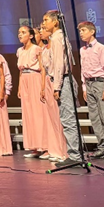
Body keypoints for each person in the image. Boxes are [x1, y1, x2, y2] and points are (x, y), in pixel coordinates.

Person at [41, 11, 81, 167]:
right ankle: (74, 154)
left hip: (63, 81)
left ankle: (75, 156)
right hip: (62, 80)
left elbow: (59, 64)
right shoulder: (56, 38)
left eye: (46, 20)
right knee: (66, 118)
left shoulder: (57, 38)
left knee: (68, 119)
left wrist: (56, 87)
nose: (44, 24)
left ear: (55, 22)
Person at [78, 21, 104, 161]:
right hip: (89, 84)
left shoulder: (101, 48)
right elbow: (83, 69)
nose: (81, 33)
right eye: (80, 31)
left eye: (83, 30)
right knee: (94, 117)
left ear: (92, 31)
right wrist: (84, 87)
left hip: (100, 83)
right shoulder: (82, 50)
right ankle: (102, 146)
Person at [36, 25, 68, 163]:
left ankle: (64, 151)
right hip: (48, 82)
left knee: (59, 117)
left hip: (56, 81)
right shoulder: (43, 49)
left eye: (43, 29)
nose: (41, 32)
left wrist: (57, 86)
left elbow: (60, 64)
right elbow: (44, 70)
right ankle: (55, 150)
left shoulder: (55, 44)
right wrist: (43, 87)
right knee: (51, 118)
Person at [16, 25, 46, 159]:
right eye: (19, 32)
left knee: (38, 113)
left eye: (23, 32)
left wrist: (43, 87)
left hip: (35, 79)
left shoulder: (36, 49)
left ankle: (44, 147)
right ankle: (34, 147)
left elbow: (42, 69)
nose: (20, 35)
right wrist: (19, 87)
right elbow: (21, 71)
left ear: (31, 35)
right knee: (28, 114)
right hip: (25, 80)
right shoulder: (19, 51)